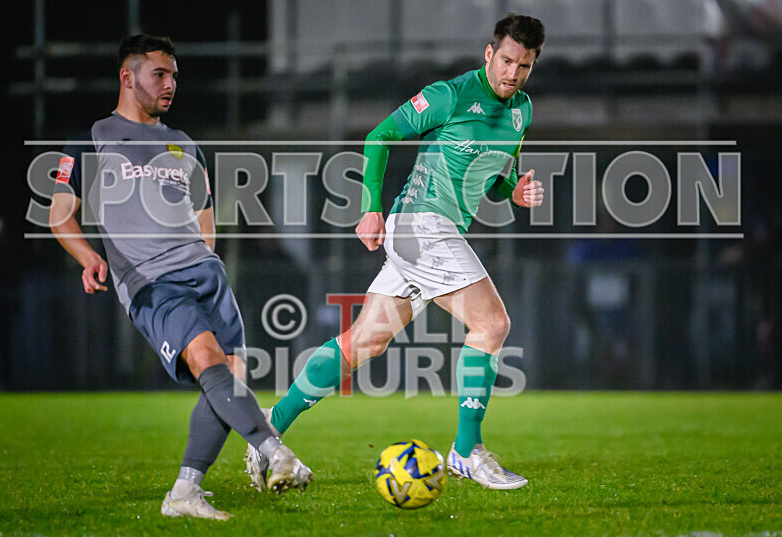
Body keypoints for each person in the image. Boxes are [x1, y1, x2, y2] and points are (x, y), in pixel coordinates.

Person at [246, 13, 545, 491]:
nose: (513, 73)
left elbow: (497, 177)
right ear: (489, 54)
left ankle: (269, 425)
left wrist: (516, 191)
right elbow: (379, 137)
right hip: (421, 226)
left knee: (364, 342)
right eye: (506, 60)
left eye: (524, 66)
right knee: (492, 324)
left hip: (433, 233)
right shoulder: (450, 95)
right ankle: (467, 451)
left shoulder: (522, 111)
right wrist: (371, 208)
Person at [49, 34, 312, 520]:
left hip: (206, 274)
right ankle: (276, 453)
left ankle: (185, 493)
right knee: (208, 360)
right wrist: (87, 256)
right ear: (128, 77)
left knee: (227, 377)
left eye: (173, 76)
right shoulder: (90, 140)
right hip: (152, 282)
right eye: (159, 75)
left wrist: (204, 262)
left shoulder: (186, 145)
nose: (170, 84)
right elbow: (59, 215)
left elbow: (205, 222)